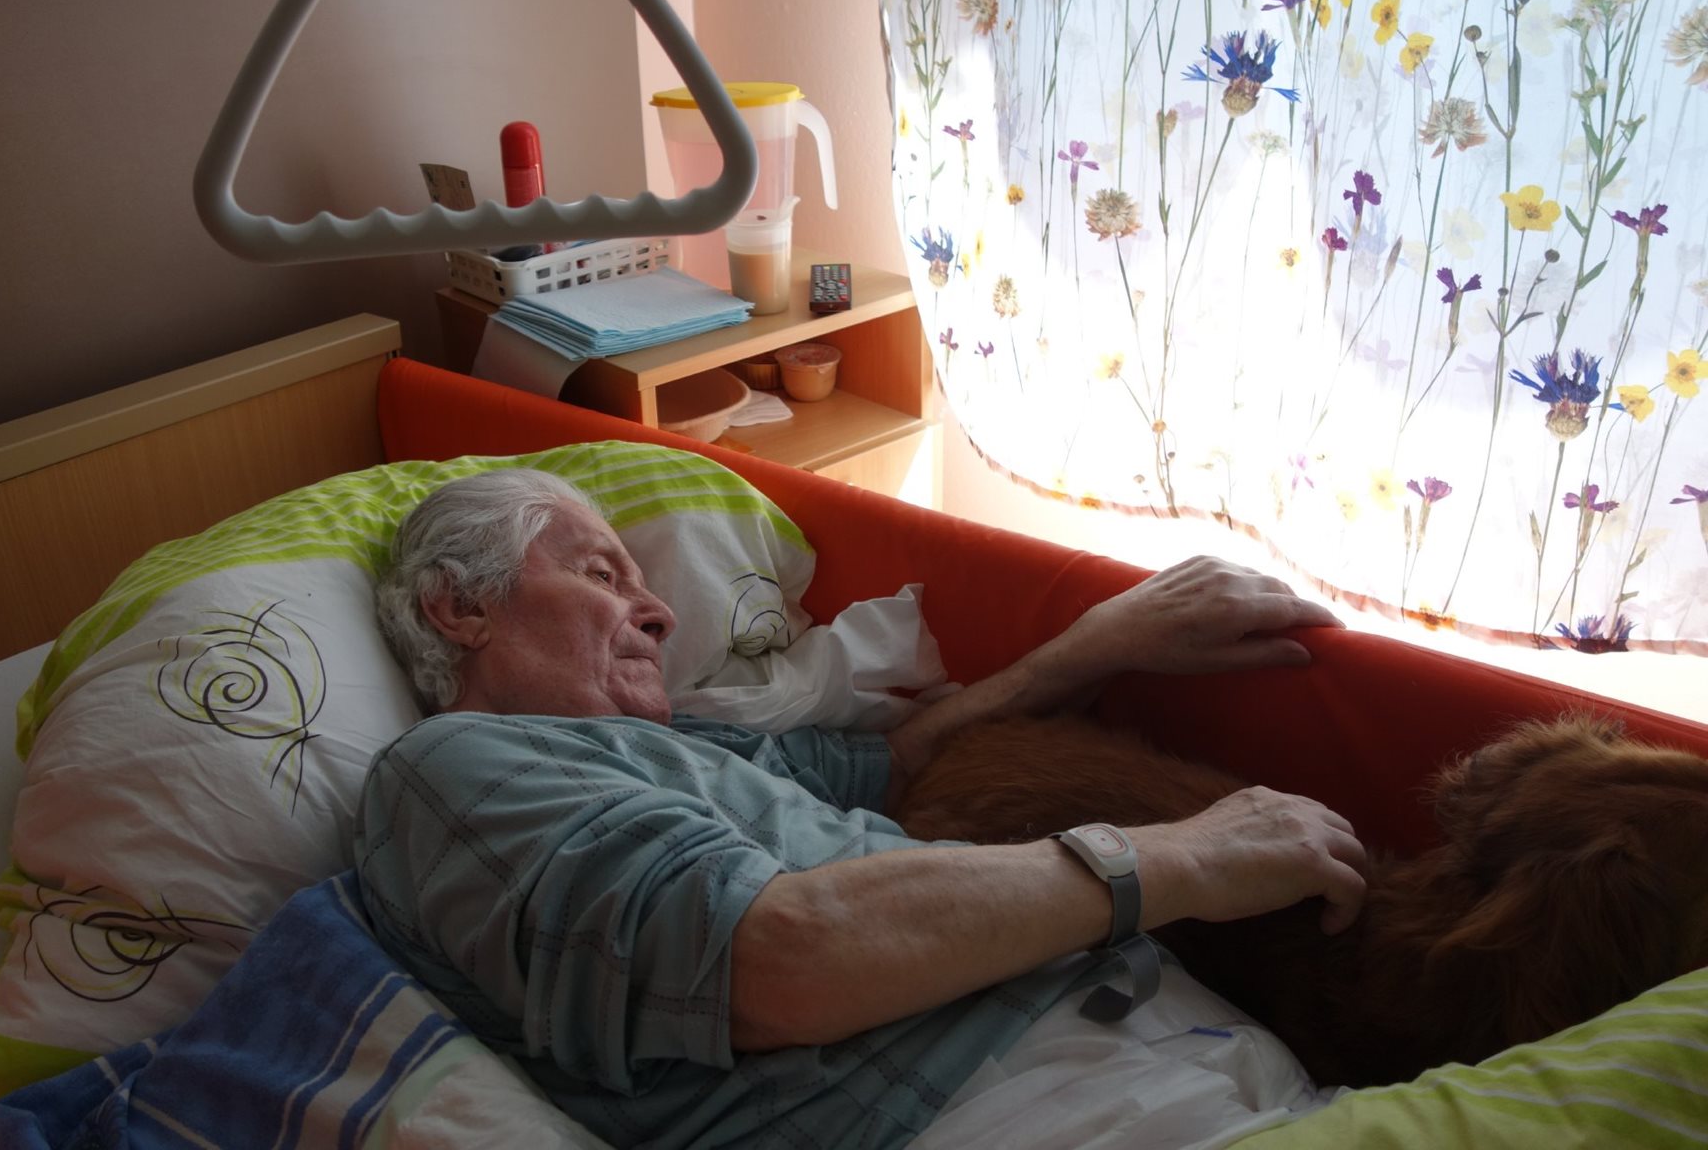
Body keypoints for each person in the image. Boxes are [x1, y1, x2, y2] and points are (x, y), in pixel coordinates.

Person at [356, 468, 1365, 1149]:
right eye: (600, 573)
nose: (658, 612)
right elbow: (777, 962)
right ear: (462, 607)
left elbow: (901, 757)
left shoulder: (690, 749)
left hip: (1181, 1062)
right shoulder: (450, 771)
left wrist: (1103, 639)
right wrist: (1180, 858)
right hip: (1017, 1106)